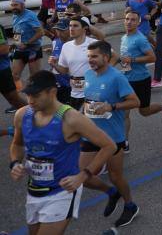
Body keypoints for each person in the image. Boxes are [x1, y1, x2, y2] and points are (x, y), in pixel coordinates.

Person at [10, 70, 117, 235]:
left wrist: (82, 176)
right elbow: (17, 144)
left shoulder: (71, 118)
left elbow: (109, 146)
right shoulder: (22, 115)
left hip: (62, 193)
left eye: (36, 96)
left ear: (52, 92)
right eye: (28, 95)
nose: (30, 100)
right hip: (34, 191)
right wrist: (15, 163)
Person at [79, 40, 142, 229]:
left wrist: (112, 106)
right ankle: (110, 192)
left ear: (106, 57)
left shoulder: (117, 77)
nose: (90, 60)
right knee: (83, 175)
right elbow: (88, 100)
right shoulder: (88, 74)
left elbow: (135, 102)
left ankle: (130, 206)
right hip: (90, 134)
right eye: (89, 56)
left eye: (94, 56)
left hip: (113, 138)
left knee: (115, 175)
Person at [119, 11, 162, 152]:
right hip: (126, 80)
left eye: (133, 20)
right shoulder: (124, 38)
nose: (129, 22)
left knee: (144, 111)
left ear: (138, 23)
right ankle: (124, 141)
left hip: (141, 80)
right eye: (127, 19)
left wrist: (132, 60)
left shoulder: (140, 39)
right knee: (124, 112)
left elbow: (152, 58)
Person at [51, 17, 97, 111]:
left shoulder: (94, 43)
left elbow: (114, 57)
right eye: (70, 26)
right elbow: (64, 70)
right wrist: (55, 64)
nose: (71, 28)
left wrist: (102, 76)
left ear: (84, 28)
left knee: (90, 122)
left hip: (92, 92)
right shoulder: (66, 46)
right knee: (75, 123)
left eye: (75, 26)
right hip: (74, 93)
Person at [10, 0, 45, 91]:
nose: (13, 7)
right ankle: (20, 96)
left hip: (33, 50)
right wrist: (15, 45)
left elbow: (41, 32)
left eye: (16, 5)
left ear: (22, 5)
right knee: (15, 75)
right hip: (19, 49)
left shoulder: (30, 15)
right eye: (12, 5)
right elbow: (17, 31)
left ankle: (37, 98)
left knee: (34, 78)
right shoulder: (14, 16)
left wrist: (26, 43)